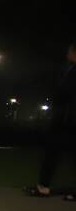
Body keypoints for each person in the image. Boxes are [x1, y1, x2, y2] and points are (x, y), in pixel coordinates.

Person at [27, 42, 76, 201]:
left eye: (70, 51)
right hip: (64, 119)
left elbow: (66, 93)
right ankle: (43, 186)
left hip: (67, 119)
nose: (67, 53)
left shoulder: (72, 72)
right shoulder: (68, 70)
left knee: (54, 152)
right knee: (53, 152)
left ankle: (44, 186)